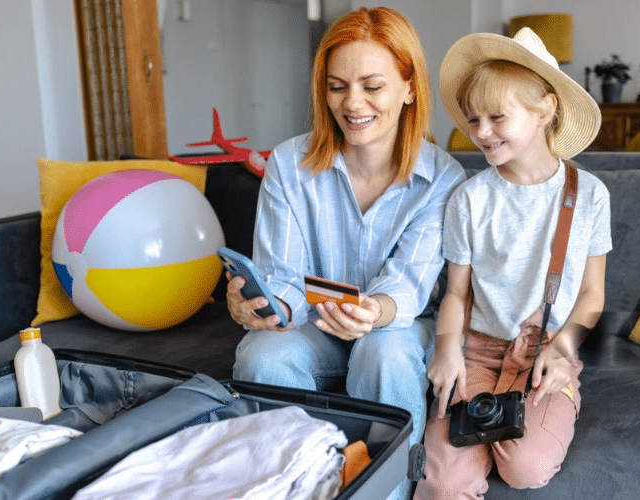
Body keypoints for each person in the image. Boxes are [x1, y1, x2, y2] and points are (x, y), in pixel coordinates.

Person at [226, 6, 465, 500]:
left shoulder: (442, 178)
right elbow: (284, 278)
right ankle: (292, 486)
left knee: (384, 351)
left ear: (409, 88)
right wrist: (265, 306)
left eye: (371, 86)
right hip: (317, 326)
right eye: (337, 87)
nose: (351, 103)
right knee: (261, 355)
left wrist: (374, 312)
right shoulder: (289, 165)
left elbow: (410, 284)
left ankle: (389, 492)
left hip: (399, 323)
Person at [414, 28, 612, 499]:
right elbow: (456, 293)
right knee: (442, 483)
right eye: (472, 119)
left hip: (547, 354)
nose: (480, 132)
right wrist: (445, 349)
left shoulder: (590, 195)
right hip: (476, 352)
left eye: (497, 117)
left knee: (526, 467)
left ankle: (555, 408)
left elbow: (592, 294)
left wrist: (564, 350)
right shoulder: (469, 198)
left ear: (546, 109)